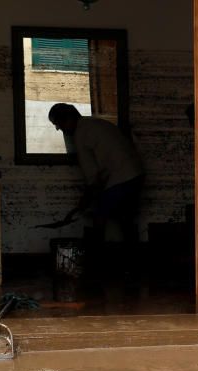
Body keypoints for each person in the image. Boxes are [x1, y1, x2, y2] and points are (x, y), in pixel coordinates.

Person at [47, 103, 145, 266]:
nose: (59, 129)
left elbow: (93, 178)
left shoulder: (80, 135)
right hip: (135, 173)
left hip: (120, 177)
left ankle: (95, 262)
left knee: (100, 217)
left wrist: (85, 200)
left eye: (59, 124)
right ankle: (134, 264)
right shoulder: (95, 124)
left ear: (70, 119)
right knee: (127, 220)